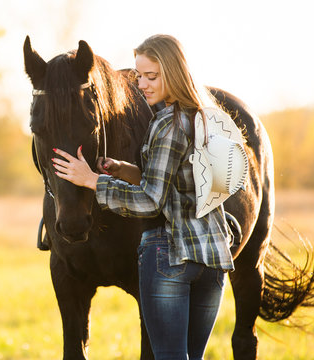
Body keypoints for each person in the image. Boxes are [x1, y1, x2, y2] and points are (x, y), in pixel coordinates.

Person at [52, 34, 234, 360]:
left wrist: (93, 181)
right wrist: (125, 169)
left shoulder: (165, 125)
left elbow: (151, 201)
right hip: (211, 258)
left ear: (175, 74)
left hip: (169, 256)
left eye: (152, 76)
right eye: (138, 75)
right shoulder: (209, 119)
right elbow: (188, 185)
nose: (142, 85)